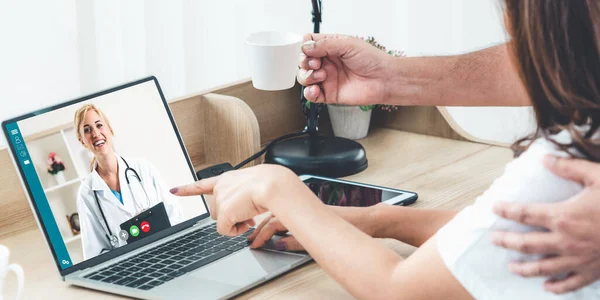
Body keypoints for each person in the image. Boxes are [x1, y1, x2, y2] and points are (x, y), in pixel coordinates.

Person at [170, 1, 600, 299]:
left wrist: (278, 187)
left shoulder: (570, 161)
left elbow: (400, 289)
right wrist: (374, 219)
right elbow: (502, 238)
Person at [74, 104, 183, 259]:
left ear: (110, 129)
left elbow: (175, 215)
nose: (96, 133)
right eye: (87, 130)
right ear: (82, 141)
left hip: (168, 253)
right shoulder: (87, 193)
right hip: (130, 267)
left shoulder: (143, 168)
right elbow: (94, 254)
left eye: (99, 125)